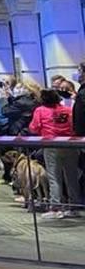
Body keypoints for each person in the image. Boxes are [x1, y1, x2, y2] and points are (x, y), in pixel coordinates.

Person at [29, 88, 80, 219]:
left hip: (51, 145)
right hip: (70, 144)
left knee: (54, 177)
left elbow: (33, 128)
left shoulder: (40, 110)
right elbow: (74, 125)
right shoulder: (67, 110)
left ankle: (56, 207)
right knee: (72, 177)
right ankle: (74, 207)